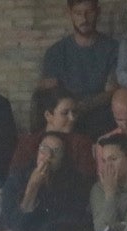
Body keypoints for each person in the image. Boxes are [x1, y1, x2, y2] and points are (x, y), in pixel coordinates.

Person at [40, 1, 119, 135]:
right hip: (67, 119)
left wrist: (84, 106)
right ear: (69, 13)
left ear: (98, 12)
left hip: (102, 118)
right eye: (78, 13)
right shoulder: (56, 52)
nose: (84, 19)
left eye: (89, 12)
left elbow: (112, 91)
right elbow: (51, 92)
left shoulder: (113, 49)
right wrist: (71, 108)